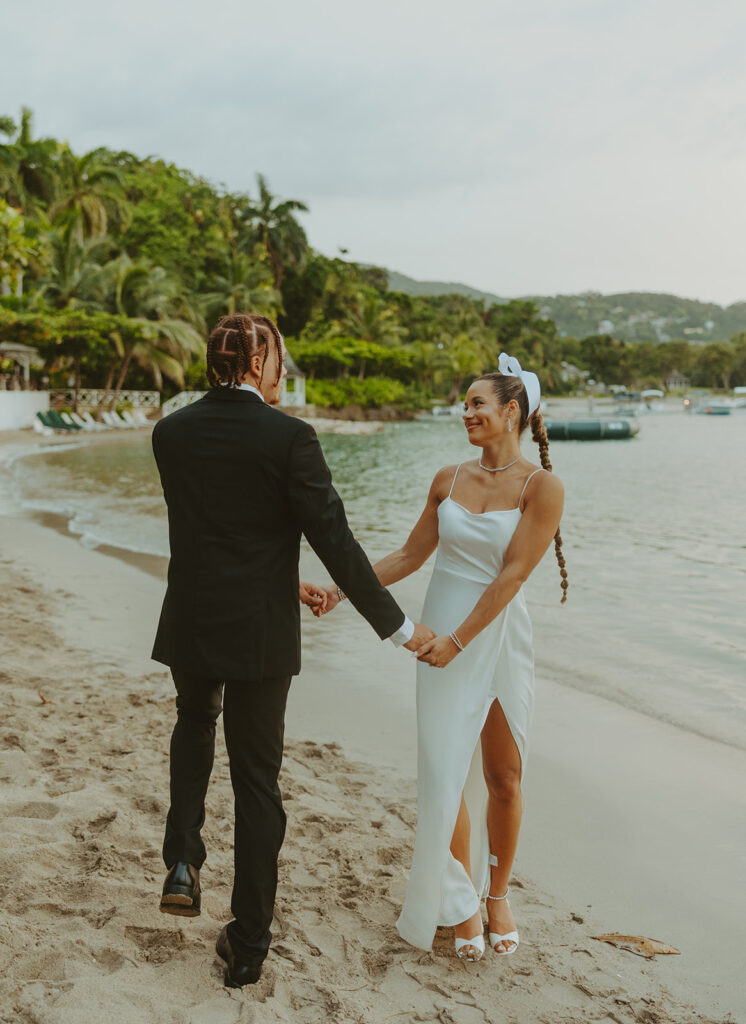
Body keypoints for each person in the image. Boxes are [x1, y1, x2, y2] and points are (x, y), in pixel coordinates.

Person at [150, 312, 434, 988]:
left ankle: (183, 860)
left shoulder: (171, 432)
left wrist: (283, 576)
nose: (285, 368)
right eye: (279, 357)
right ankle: (247, 943)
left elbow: (216, 532)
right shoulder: (291, 438)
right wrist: (395, 626)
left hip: (192, 616)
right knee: (256, 779)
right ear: (254, 363)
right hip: (259, 630)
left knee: (194, 722)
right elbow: (335, 537)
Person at [316, 353, 567, 961]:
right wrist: (341, 588)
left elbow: (512, 576)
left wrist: (460, 639)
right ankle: (457, 903)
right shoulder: (447, 479)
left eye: (478, 404)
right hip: (440, 645)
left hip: (496, 638)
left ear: (512, 412)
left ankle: (497, 893)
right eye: (465, 404)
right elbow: (408, 556)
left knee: (503, 775)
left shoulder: (542, 487)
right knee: (442, 773)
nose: (466, 413)